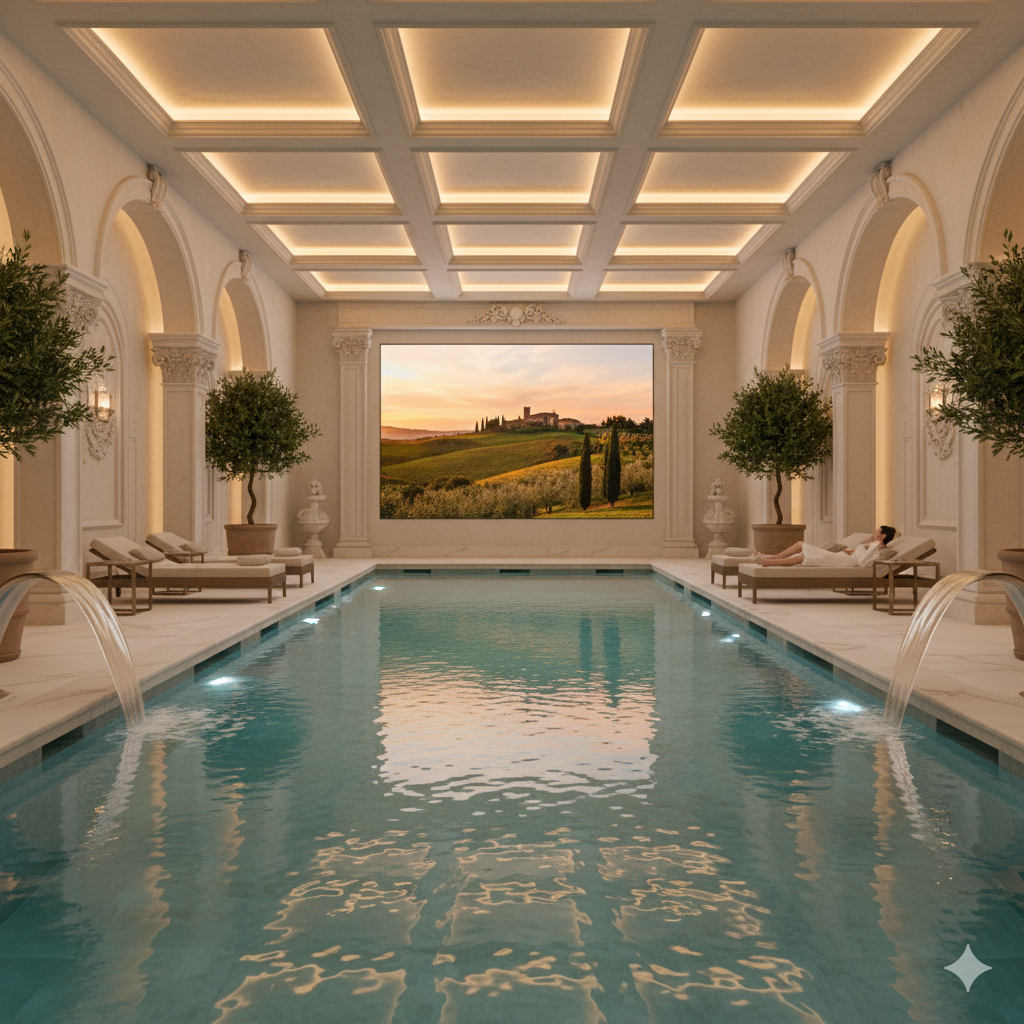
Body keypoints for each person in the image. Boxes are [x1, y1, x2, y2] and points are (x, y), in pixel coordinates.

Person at [755, 525, 896, 567]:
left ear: (883, 536)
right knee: (801, 551)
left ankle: (769, 561)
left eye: (878, 532)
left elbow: (863, 562)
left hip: (843, 562)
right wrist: (853, 550)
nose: (875, 533)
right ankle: (770, 559)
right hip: (841, 557)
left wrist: (863, 549)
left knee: (802, 553)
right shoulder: (872, 545)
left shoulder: (877, 546)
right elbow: (861, 554)